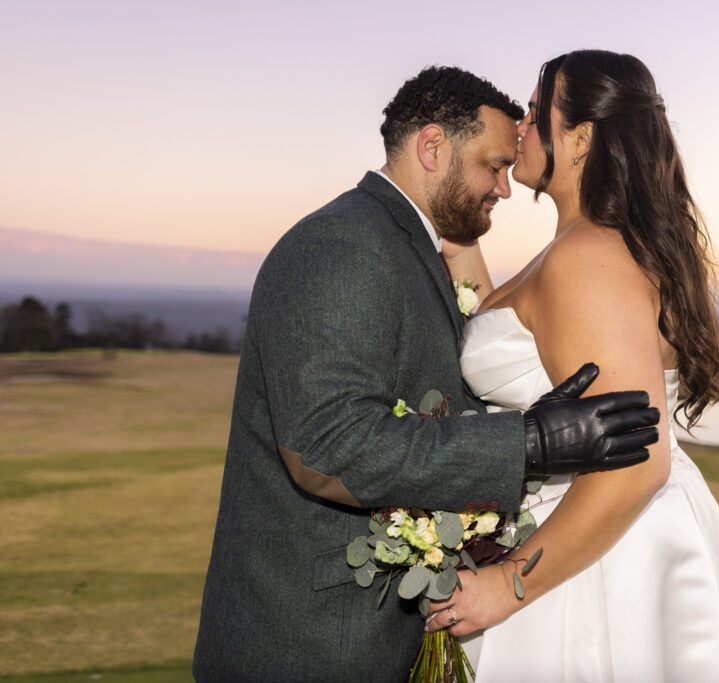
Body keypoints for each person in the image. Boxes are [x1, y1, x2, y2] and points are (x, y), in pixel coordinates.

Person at [192, 65, 661, 682]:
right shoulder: (341, 246)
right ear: (433, 147)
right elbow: (326, 446)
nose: (504, 185)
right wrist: (528, 441)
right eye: (493, 165)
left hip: (389, 631)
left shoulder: (412, 245)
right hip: (311, 646)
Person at [426, 51, 719, 682]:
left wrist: (506, 584)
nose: (519, 126)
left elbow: (636, 461)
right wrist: (461, 244)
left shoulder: (588, 259)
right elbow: (529, 350)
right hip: (587, 532)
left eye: (533, 109)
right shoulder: (589, 247)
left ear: (577, 137)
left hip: (593, 557)